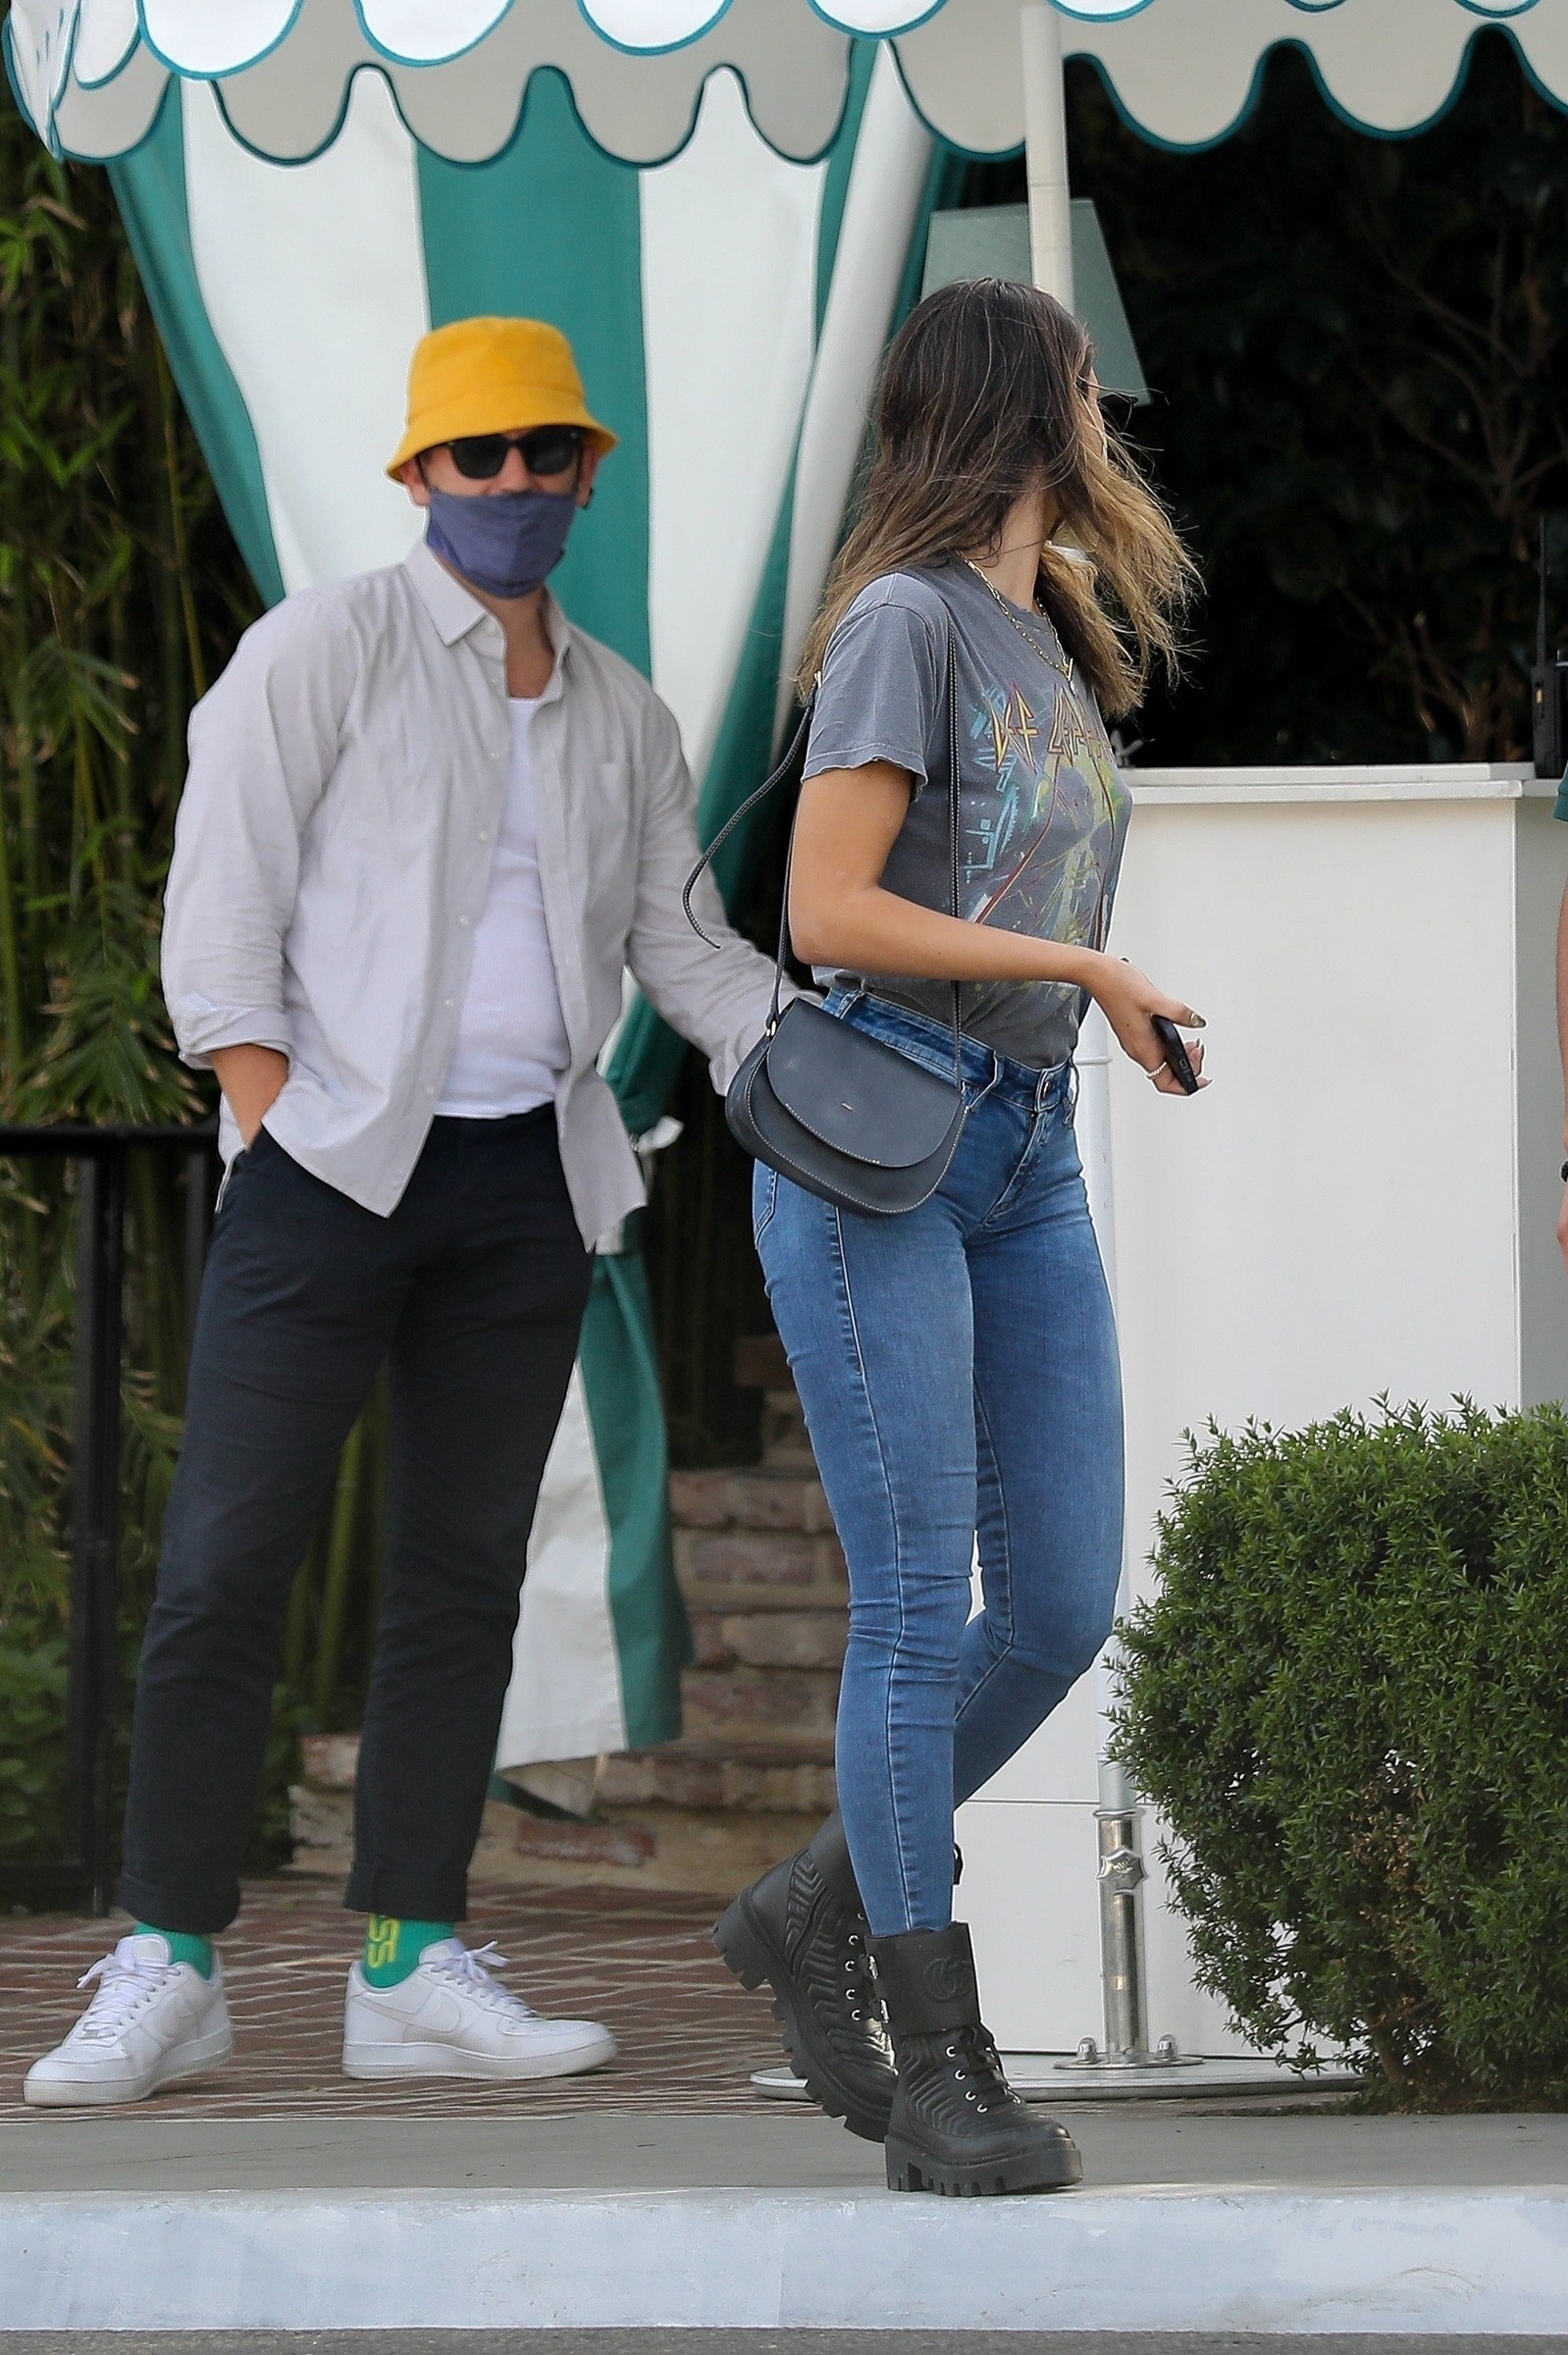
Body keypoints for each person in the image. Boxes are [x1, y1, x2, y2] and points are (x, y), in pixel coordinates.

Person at [26, 316, 786, 2108]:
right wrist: (274, 1119)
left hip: (528, 1182)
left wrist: (825, 1057)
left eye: (543, 452)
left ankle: (406, 1963)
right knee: (226, 1566)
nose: (511, 481)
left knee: (460, 1576)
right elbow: (220, 913)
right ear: (418, 474)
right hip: (329, 1173)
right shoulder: (318, 651)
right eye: (477, 454)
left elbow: (684, 948)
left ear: (588, 473)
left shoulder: (623, 712)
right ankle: (168, 1958)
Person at [711, 279, 1203, 2196]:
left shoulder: (1047, 631)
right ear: (1017, 404)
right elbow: (827, 911)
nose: (1105, 409)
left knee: (1059, 1602)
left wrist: (1087, 1005)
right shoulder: (903, 625)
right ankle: (938, 2069)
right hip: (876, 1149)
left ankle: (808, 1906)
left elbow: (1002, 897)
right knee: (919, 1600)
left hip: (1021, 1149)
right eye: (1083, 380)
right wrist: (1085, 967)